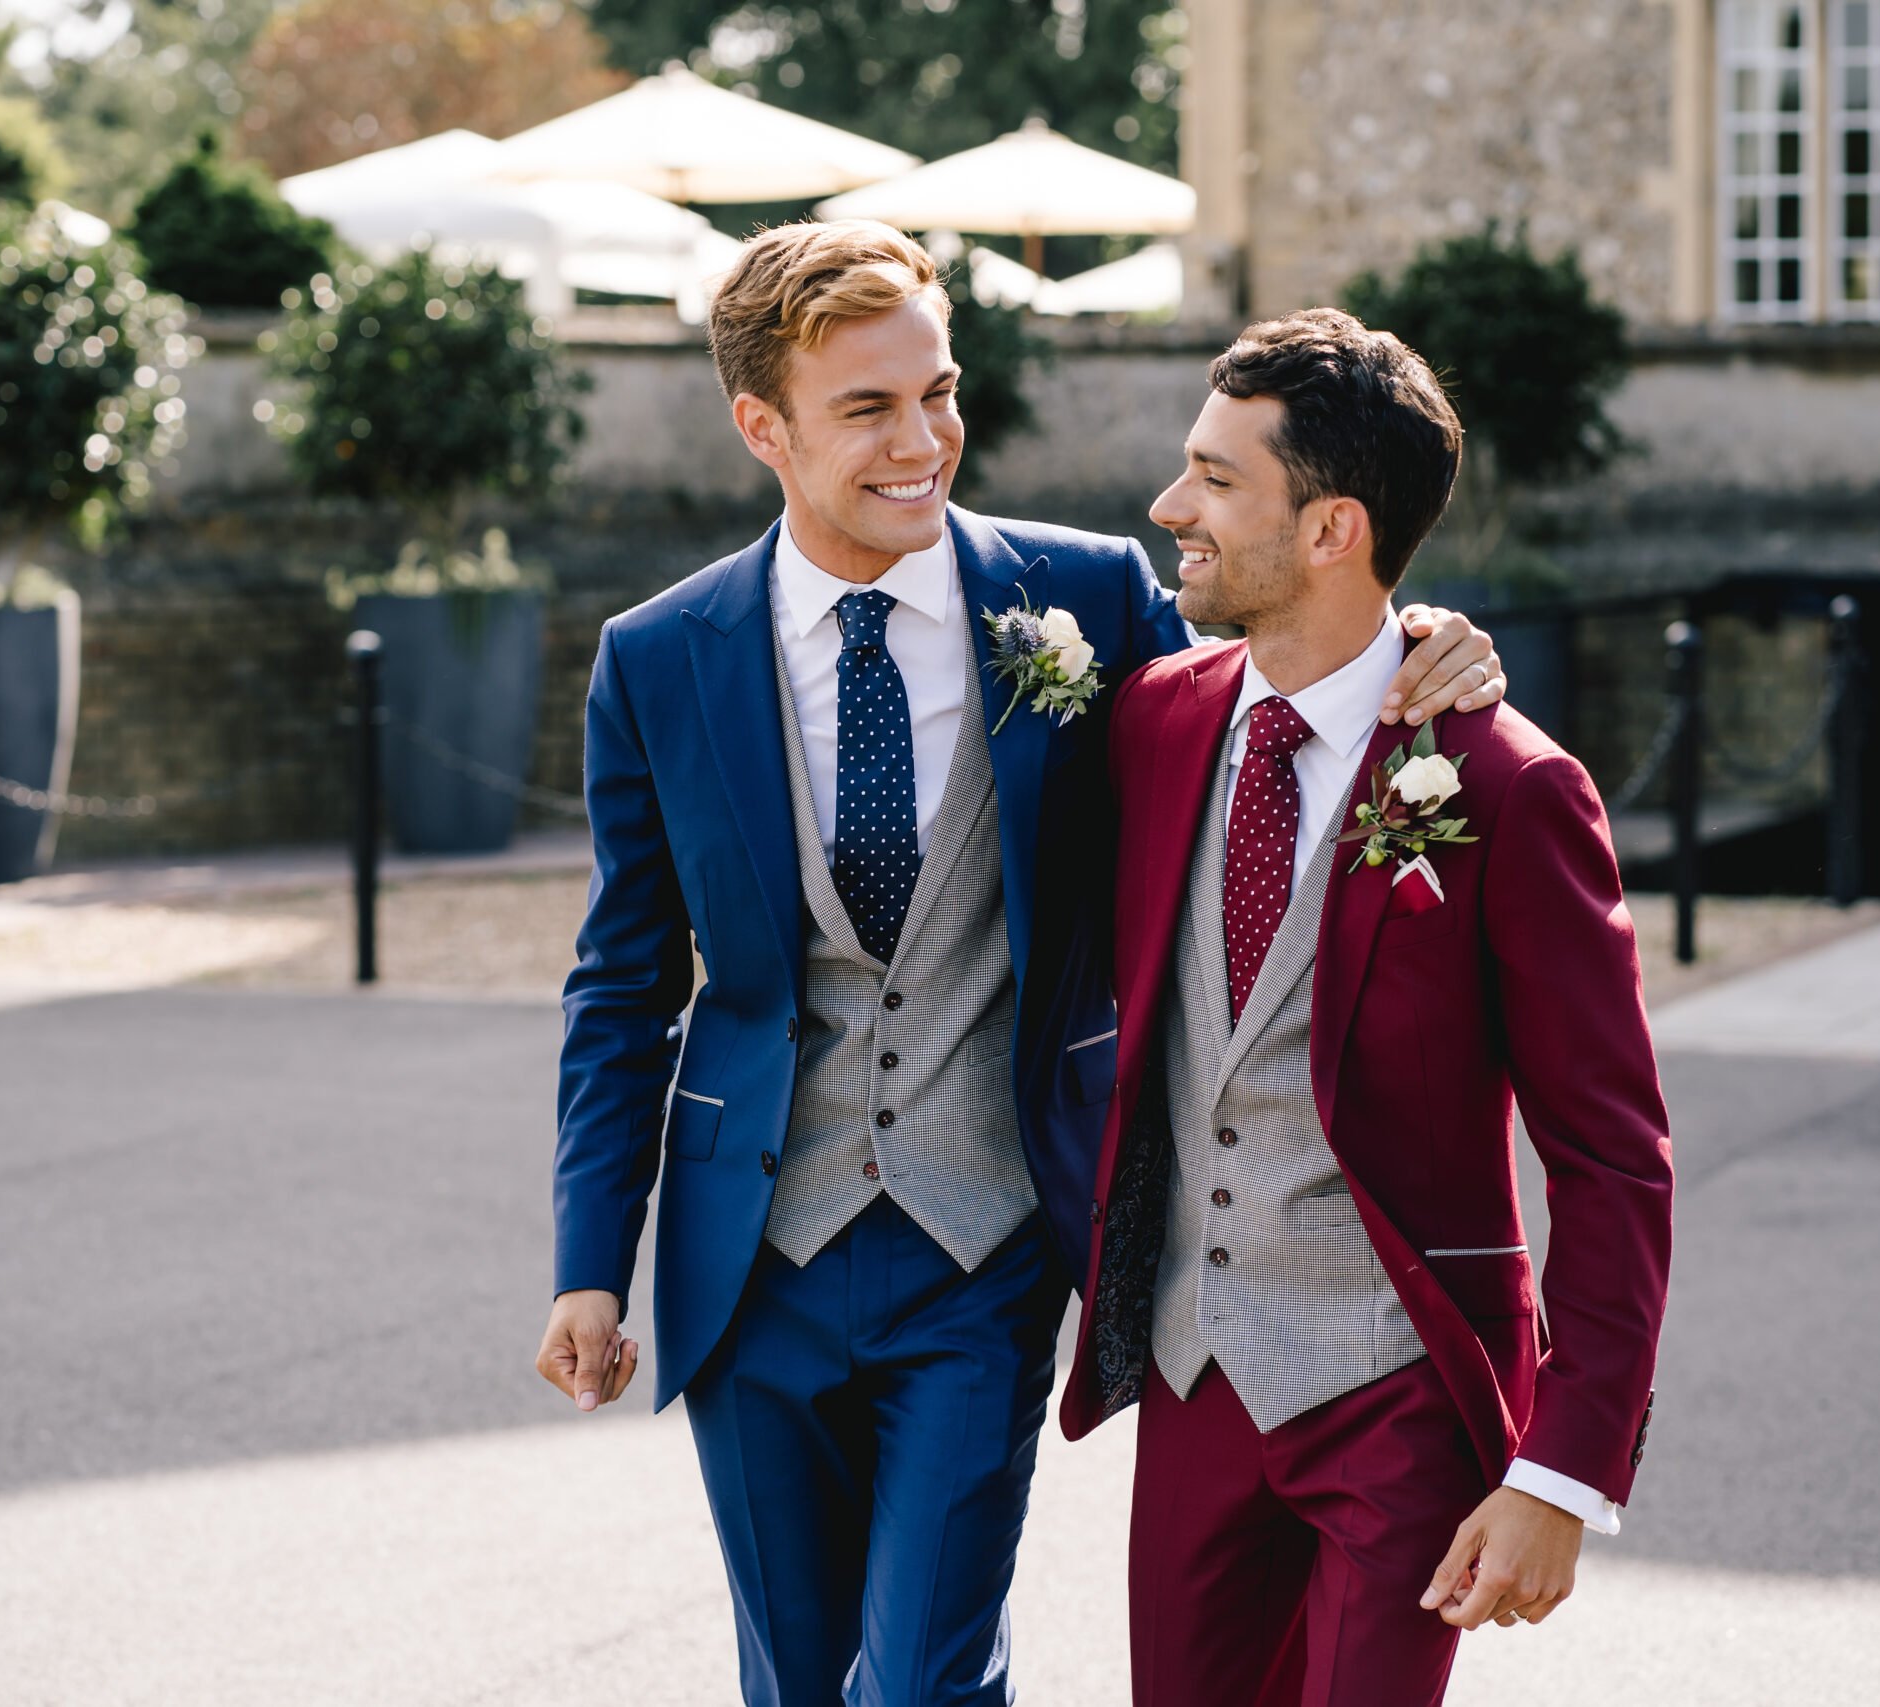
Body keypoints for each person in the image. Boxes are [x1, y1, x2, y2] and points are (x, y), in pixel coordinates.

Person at [534, 223, 1506, 1706]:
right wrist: (589, 1266)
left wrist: (1436, 641)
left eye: (940, 391)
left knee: (921, 1681)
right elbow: (623, 986)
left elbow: (1299, 647)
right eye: (869, 410)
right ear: (762, 428)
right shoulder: (659, 657)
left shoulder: (1087, 596)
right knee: (797, 1683)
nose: (925, 440)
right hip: (753, 1265)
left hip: (983, 1246)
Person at [1059, 307, 1673, 1707]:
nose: (1171, 507)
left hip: (1400, 1388)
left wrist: (1561, 1471)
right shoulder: (1155, 717)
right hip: (1196, 1373)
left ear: (1334, 528)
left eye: (1217, 479)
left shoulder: (1510, 788)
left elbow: (1613, 1157)